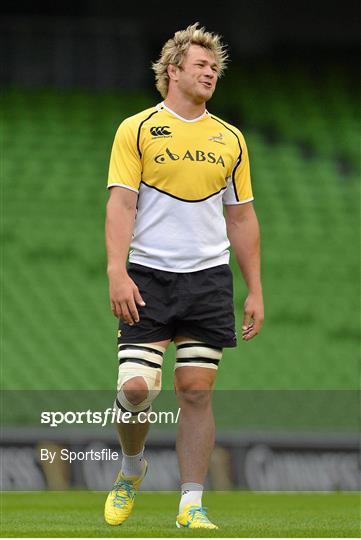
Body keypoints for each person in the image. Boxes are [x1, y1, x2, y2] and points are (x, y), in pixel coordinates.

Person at [104, 22, 264, 530]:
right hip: (147, 275)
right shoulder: (137, 129)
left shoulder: (230, 139)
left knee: (195, 389)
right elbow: (121, 203)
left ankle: (191, 503)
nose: (210, 72)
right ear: (173, 70)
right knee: (135, 389)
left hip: (208, 278)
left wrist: (255, 288)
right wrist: (115, 269)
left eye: (215, 67)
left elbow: (241, 217)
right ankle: (131, 470)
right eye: (200, 65)